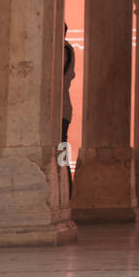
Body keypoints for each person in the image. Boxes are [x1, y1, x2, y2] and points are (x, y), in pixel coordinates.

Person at [62, 25, 76, 199]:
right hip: (61, 110)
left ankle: (66, 191)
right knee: (60, 150)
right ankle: (65, 191)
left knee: (61, 151)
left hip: (59, 111)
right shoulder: (67, 49)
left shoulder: (63, 49)